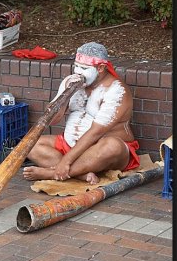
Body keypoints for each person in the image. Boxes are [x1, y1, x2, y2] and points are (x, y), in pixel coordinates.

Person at [23, 42, 140, 185]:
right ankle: (79, 174)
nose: (78, 71)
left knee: (112, 146)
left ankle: (53, 173)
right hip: (69, 144)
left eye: (84, 68)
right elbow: (52, 120)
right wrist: (66, 95)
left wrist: (66, 161)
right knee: (29, 144)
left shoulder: (117, 90)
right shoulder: (70, 82)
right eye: (76, 66)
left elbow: (96, 132)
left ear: (101, 68)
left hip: (101, 149)